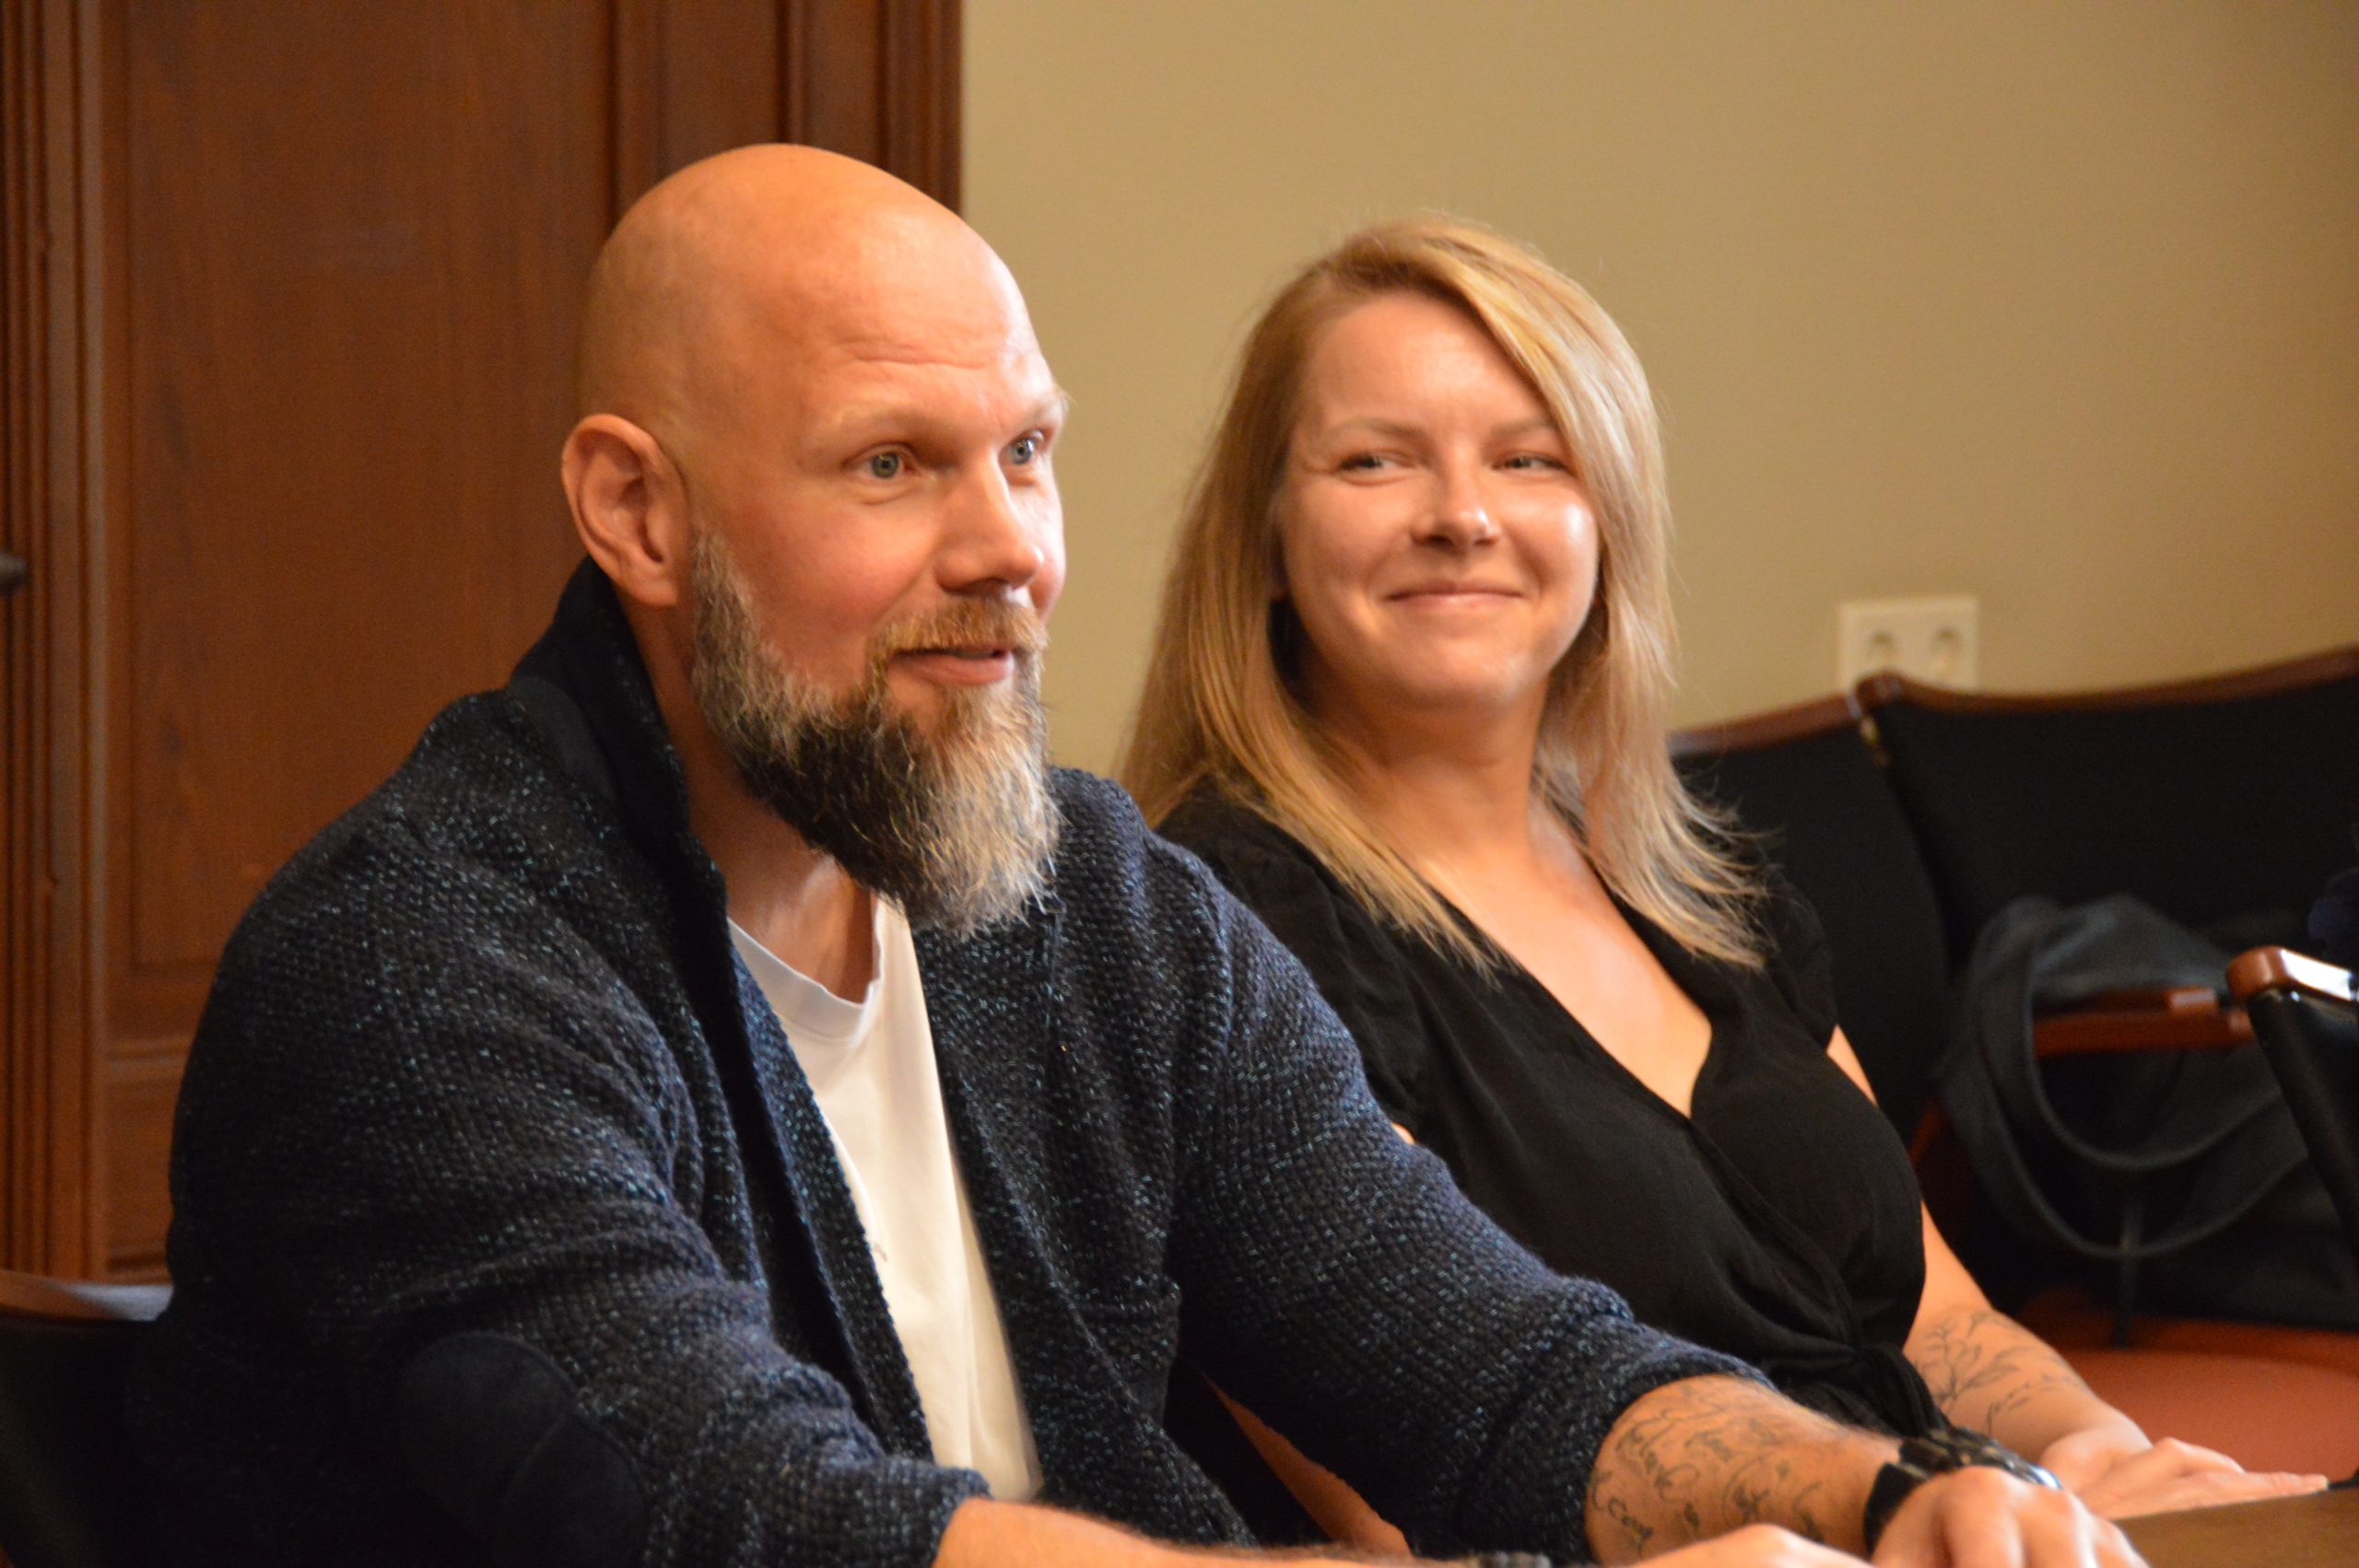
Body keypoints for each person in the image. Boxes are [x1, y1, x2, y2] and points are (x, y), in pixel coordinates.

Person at [135, 147, 2147, 1568]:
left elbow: (1497, 1367)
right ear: (637, 514)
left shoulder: (1085, 904)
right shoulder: (416, 963)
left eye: (1027, 450)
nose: (1011, 547)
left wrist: (1884, 1495)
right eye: (892, 463)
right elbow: (759, 1517)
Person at [1124, 217, 2326, 1528]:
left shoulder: (1704, 889)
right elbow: (1396, 1509)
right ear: (1264, 533)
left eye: (1531, 459)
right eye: (1375, 460)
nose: (1461, 516)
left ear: (1609, 523)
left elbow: (1939, 1321)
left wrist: (2098, 1460)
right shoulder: (1220, 920)